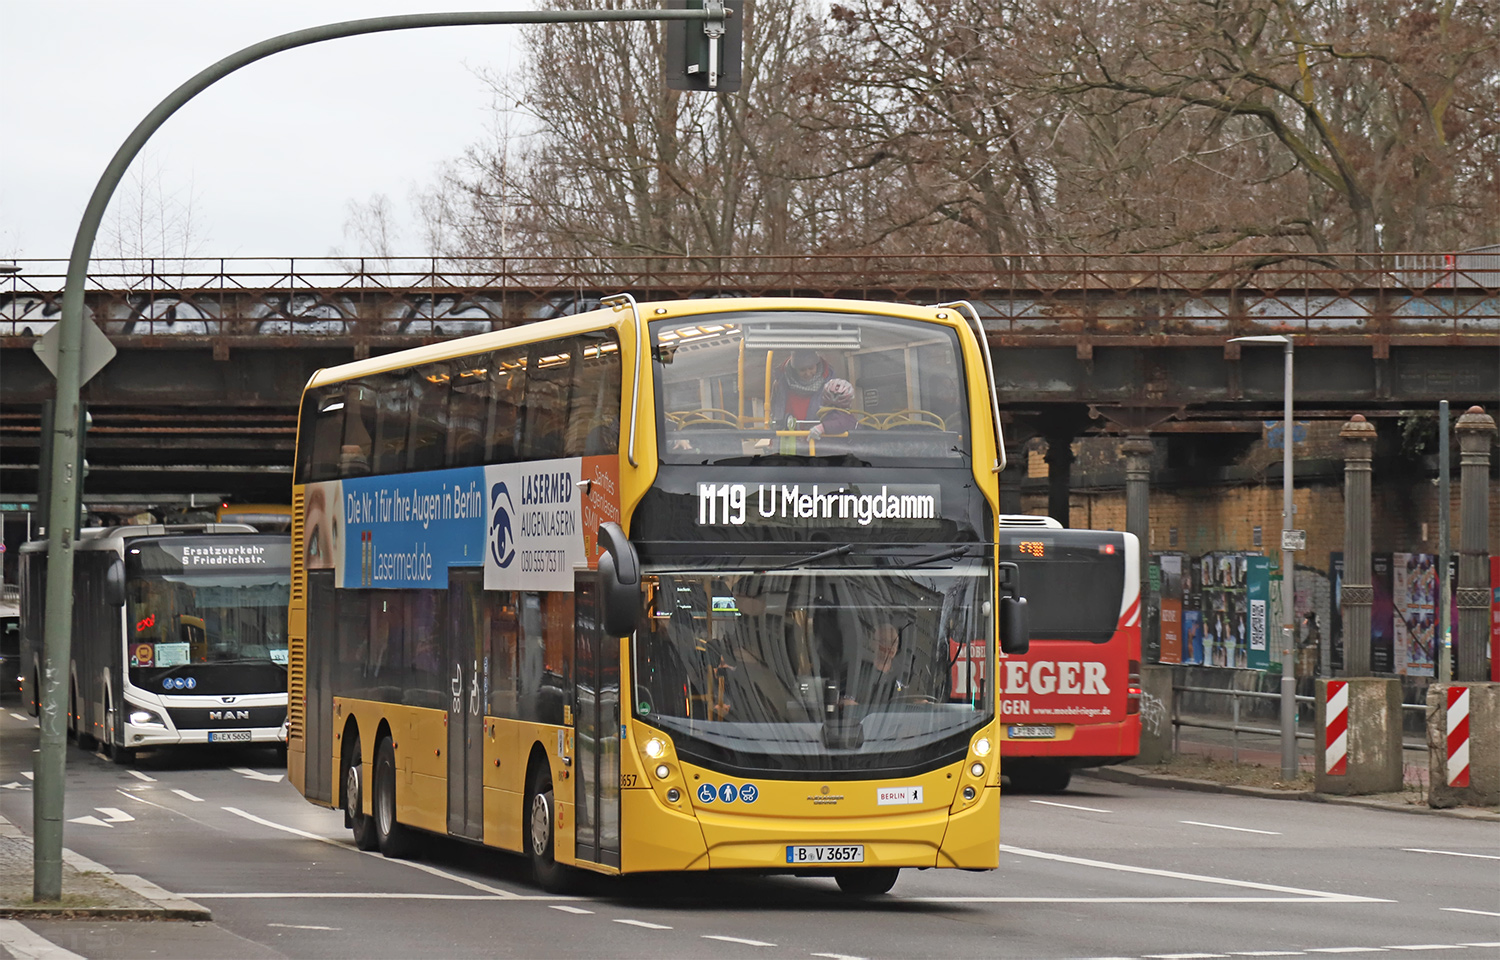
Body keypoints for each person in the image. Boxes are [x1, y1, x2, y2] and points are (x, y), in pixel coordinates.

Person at [769, 350, 833, 428]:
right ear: (794, 370)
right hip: (788, 434)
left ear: (817, 365)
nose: (808, 373)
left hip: (819, 435)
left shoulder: (830, 384)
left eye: (811, 368)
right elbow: (775, 411)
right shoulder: (780, 384)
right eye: (802, 370)